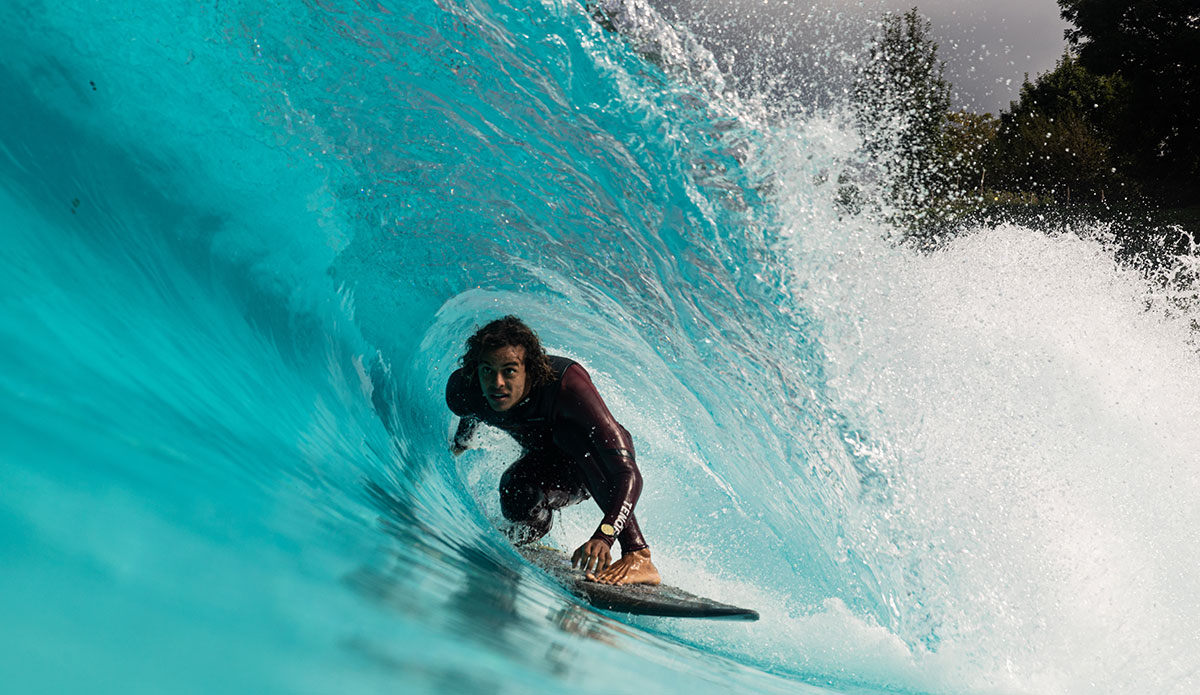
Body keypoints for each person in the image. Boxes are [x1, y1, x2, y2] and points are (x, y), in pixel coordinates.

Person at [446, 316, 660, 586]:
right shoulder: (465, 390)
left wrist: (604, 537)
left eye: (510, 371)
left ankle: (638, 555)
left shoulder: (567, 386)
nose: (497, 382)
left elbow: (628, 474)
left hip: (594, 462)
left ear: (530, 370)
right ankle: (529, 534)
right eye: (487, 370)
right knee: (517, 494)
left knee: (569, 436)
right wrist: (460, 445)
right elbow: (472, 412)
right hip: (548, 463)